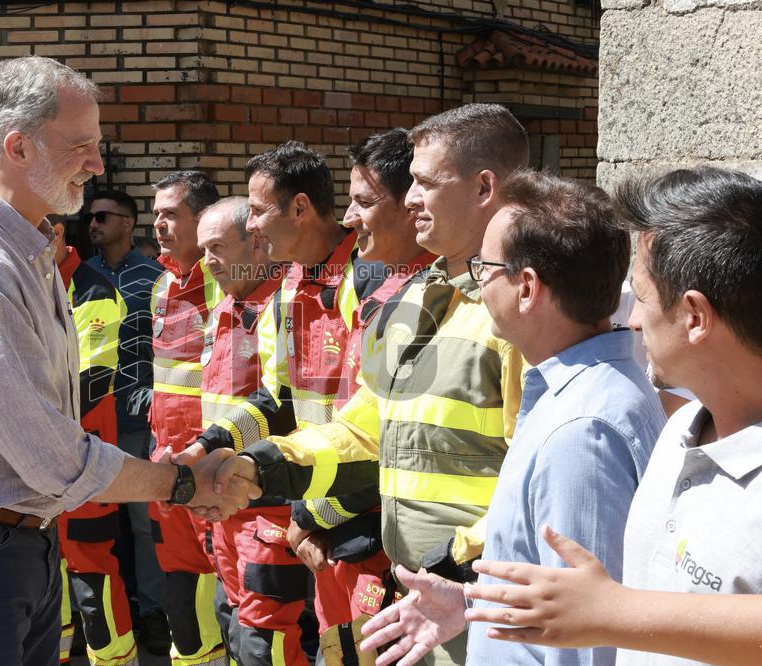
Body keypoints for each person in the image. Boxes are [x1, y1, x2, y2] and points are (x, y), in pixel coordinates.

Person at [0, 56, 257, 666]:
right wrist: (181, 482)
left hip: (6, 543)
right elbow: (51, 454)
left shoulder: (23, 251)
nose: (98, 164)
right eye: (81, 145)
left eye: (97, 146)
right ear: (17, 147)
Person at [212, 104, 530, 665]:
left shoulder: (522, 310)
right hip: (420, 591)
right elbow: (365, 431)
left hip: (478, 602)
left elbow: (536, 487)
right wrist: (260, 467)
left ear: (484, 188)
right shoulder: (414, 298)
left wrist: (449, 563)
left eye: (426, 184)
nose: (410, 201)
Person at [358, 170, 667, 666]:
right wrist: (469, 603)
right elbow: (554, 597)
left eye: (484, 266)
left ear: (527, 288)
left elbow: (587, 644)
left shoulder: (581, 432)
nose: (478, 282)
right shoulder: (571, 393)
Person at [459, 166, 762, 666]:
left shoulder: (587, 428)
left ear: (695, 317)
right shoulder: (678, 438)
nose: (634, 319)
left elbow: (594, 635)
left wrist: (615, 612)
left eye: (641, 297)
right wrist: (478, 605)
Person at [283, 130, 436, 666]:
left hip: (389, 546)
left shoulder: (438, 304)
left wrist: (312, 512)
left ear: (414, 203)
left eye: (366, 203)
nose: (349, 218)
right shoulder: (371, 286)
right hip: (338, 535)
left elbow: (395, 441)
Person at [188, 196, 307, 665]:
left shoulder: (286, 309)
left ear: (257, 245)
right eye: (203, 250)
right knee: (234, 626)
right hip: (222, 502)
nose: (207, 262)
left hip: (266, 504)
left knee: (265, 640)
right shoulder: (227, 306)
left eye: (217, 247)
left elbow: (285, 407)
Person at [143, 170, 229, 666]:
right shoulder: (162, 283)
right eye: (156, 213)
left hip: (212, 462)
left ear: (203, 220)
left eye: (170, 214)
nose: (158, 223)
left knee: (228, 593)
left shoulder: (226, 286)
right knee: (179, 590)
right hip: (167, 465)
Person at [85, 189, 170, 655]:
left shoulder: (152, 276)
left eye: (103, 216)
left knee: (143, 521)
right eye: (90, 217)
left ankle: (152, 610)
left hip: (136, 415)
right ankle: (97, 614)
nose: (93, 223)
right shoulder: (82, 276)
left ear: (128, 222)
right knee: (94, 521)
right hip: (90, 418)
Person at [50, 217, 136, 666]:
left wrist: (34, 423)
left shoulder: (92, 288)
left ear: (58, 232)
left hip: (85, 457)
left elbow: (95, 376)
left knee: (91, 571)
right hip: (41, 457)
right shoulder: (27, 283)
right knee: (49, 572)